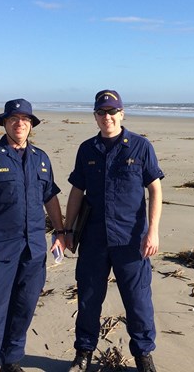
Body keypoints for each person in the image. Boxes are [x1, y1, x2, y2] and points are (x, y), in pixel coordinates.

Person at [0, 99, 66, 372]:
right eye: (14, 119)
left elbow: (50, 197)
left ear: (31, 125)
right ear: (5, 123)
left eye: (25, 119)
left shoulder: (41, 159)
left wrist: (61, 232)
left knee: (23, 308)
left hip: (34, 250)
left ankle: (10, 361)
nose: (20, 124)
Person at [64, 90, 164, 372]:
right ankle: (83, 353)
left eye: (112, 111)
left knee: (138, 300)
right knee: (88, 298)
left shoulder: (141, 147)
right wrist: (68, 230)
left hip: (132, 240)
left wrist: (153, 231)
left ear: (122, 113)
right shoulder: (87, 149)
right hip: (94, 239)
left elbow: (155, 189)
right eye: (101, 112)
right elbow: (76, 191)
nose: (106, 117)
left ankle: (144, 356)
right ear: (95, 116)